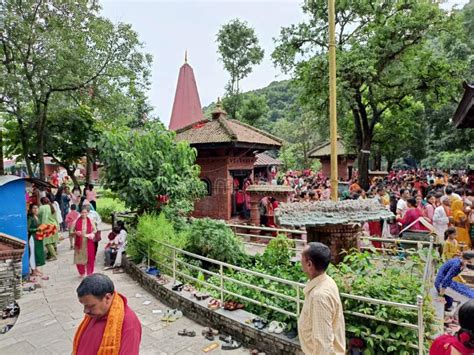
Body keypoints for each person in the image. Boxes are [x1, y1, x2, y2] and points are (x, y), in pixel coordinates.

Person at [73, 274, 141, 355]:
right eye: (84, 305)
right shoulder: (96, 313)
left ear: (107, 298)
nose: (85, 311)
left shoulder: (129, 324)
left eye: (90, 306)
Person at [298, 242, 345, 354]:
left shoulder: (319, 296)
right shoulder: (327, 281)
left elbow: (323, 344)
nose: (299, 261)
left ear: (309, 264)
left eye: (301, 258)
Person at [73, 208, 97, 277]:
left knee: (90, 257)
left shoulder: (91, 220)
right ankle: (82, 272)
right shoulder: (76, 221)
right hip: (79, 242)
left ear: (87, 213)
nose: (84, 214)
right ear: (80, 213)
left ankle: (90, 272)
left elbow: (95, 230)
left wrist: (92, 234)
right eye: (82, 212)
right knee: (79, 258)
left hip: (88, 241)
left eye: (85, 212)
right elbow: (71, 231)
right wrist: (76, 232)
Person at [27, 204, 46, 277]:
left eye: (36, 208)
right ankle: (33, 271)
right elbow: (28, 229)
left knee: (37, 254)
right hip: (32, 237)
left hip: (38, 237)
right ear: (31, 209)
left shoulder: (37, 217)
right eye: (33, 208)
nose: (35, 209)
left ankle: (36, 269)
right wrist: (36, 229)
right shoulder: (30, 218)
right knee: (32, 253)